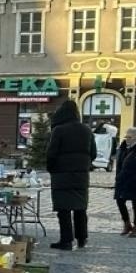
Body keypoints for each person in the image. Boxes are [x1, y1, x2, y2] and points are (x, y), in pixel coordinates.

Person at [46, 98, 93, 250]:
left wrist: (52, 169)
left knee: (63, 210)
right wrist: (84, 165)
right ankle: (82, 239)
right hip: (81, 176)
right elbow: (93, 152)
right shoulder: (86, 130)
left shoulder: (58, 130)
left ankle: (66, 241)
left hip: (61, 176)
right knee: (80, 209)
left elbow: (51, 153)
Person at [113, 126, 136, 236]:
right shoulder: (123, 148)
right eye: (126, 137)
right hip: (123, 180)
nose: (127, 139)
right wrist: (118, 177)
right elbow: (119, 165)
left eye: (129, 137)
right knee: (120, 201)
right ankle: (127, 223)